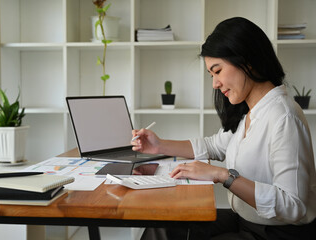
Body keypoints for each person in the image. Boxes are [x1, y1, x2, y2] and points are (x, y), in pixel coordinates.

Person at [131, 17, 316, 240]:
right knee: (163, 227)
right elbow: (213, 145)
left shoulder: (283, 116)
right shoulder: (251, 112)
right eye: (211, 75)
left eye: (217, 71)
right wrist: (158, 145)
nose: (215, 84)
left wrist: (222, 175)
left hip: (277, 233)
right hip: (246, 220)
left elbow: (294, 205)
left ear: (246, 60)